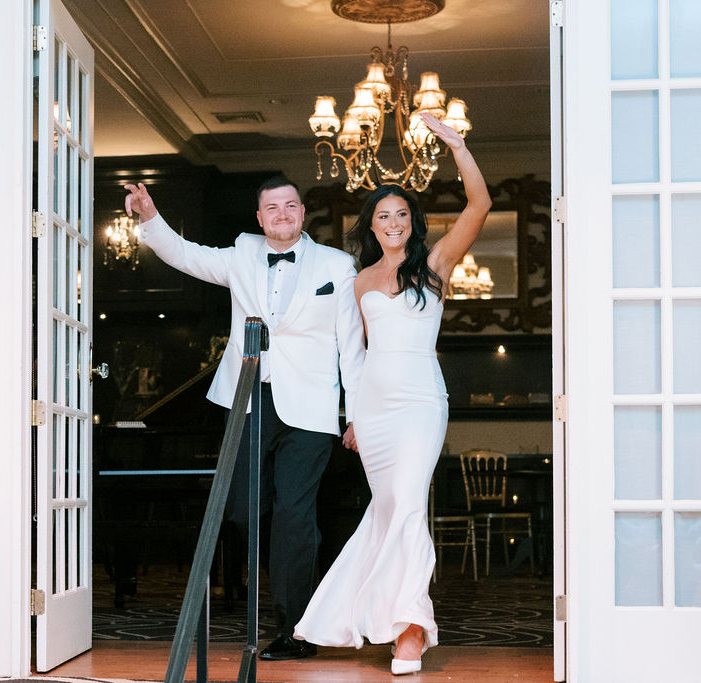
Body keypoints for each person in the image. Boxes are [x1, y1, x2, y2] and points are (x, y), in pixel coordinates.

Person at [124, 176, 365, 661]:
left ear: (302, 212)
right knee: (240, 511)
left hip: (311, 410)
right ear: (259, 218)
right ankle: (294, 559)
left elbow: (351, 346)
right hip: (249, 401)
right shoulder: (240, 256)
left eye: (290, 205)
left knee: (295, 519)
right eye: (271, 208)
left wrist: (356, 414)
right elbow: (186, 254)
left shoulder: (337, 266)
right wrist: (150, 215)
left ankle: (295, 631)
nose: (282, 213)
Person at [292, 113, 491, 676]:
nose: (394, 222)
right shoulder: (357, 283)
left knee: (406, 504)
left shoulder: (434, 266)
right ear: (371, 226)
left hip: (421, 402)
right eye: (384, 215)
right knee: (390, 510)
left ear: (414, 221)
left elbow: (478, 207)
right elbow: (351, 359)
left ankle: (409, 629)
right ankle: (383, 618)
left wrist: (456, 144)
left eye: (402, 214)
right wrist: (353, 417)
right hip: (375, 410)